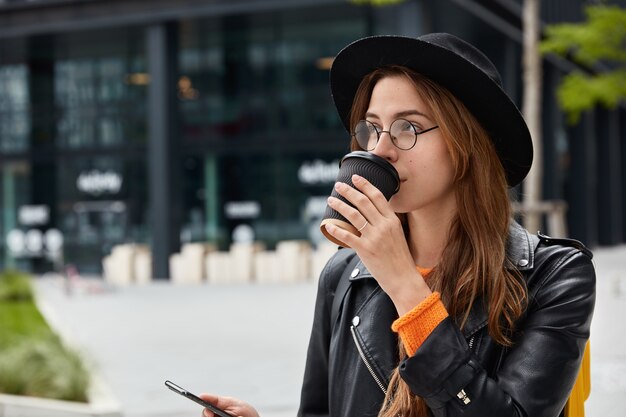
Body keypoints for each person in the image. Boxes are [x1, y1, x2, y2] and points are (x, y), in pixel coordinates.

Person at [200, 33, 596, 417]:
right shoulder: (344, 275)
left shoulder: (553, 276)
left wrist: (406, 286)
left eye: (408, 127)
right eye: (371, 129)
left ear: (468, 142)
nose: (380, 150)